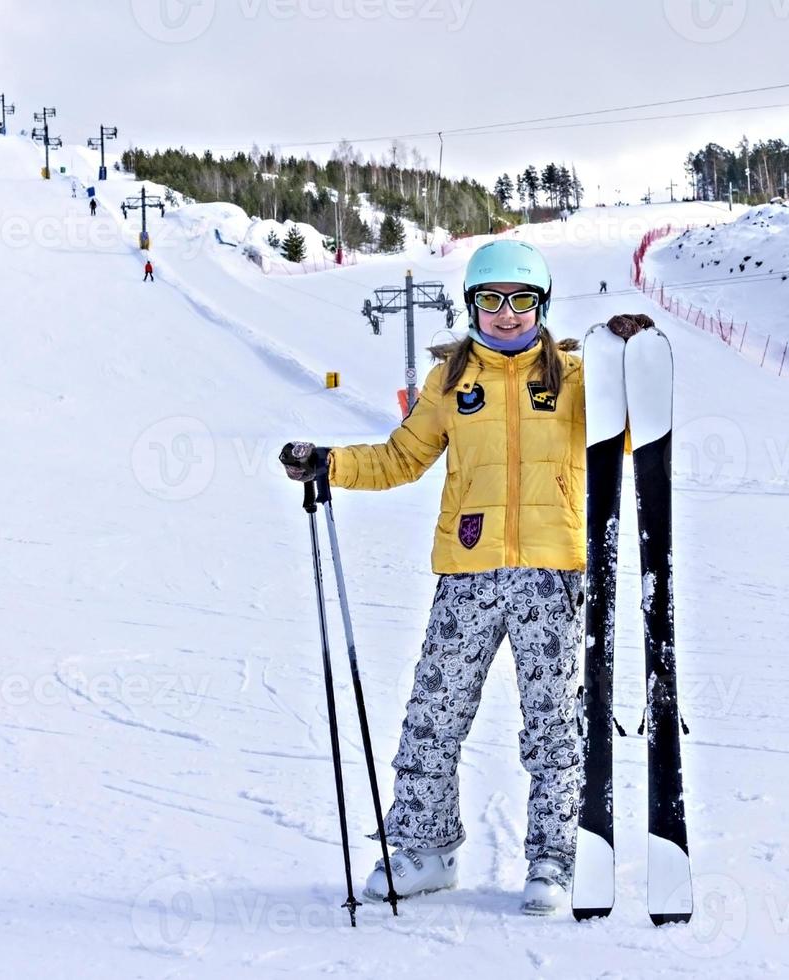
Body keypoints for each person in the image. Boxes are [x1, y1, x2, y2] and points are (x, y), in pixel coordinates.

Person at [281, 240, 590, 915]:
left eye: (520, 300)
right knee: (432, 717)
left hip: (552, 576)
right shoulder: (449, 383)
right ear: (471, 304)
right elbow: (401, 457)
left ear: (540, 305)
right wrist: (330, 464)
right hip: (467, 574)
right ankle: (425, 850)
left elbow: (629, 435)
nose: (505, 314)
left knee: (553, 725)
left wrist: (631, 353)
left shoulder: (573, 377)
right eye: (489, 299)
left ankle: (553, 859)